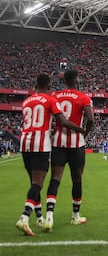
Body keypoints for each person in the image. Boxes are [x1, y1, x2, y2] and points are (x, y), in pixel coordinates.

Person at [16, 74, 85, 236]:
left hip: (25, 143)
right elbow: (62, 121)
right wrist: (80, 130)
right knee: (37, 184)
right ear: (48, 86)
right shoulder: (50, 99)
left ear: (35, 84)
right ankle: (24, 217)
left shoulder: (26, 101)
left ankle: (40, 218)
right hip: (42, 145)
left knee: (34, 183)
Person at [43, 70, 94, 233]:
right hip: (76, 145)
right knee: (77, 180)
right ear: (75, 80)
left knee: (55, 179)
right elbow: (91, 119)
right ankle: (75, 216)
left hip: (58, 143)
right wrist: (85, 132)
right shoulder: (83, 97)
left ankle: (49, 216)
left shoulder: (55, 95)